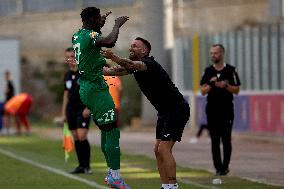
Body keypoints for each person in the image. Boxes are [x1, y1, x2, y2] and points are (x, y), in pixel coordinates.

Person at [101, 37, 191, 189]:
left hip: (176, 109)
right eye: (131, 46)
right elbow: (108, 71)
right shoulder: (134, 67)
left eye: (135, 46)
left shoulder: (148, 64)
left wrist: (113, 56)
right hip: (164, 112)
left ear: (144, 51)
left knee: (164, 149)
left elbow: (129, 64)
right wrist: (85, 65)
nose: (131, 48)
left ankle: (173, 186)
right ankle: (166, 186)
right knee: (157, 150)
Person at [71, 7, 130, 189]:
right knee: (112, 131)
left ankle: (111, 174)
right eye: (98, 19)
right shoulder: (90, 36)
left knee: (107, 129)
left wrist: (98, 28)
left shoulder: (77, 35)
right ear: (92, 19)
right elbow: (110, 42)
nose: (100, 21)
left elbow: (93, 44)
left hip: (89, 87)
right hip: (95, 89)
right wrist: (117, 25)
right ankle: (115, 176)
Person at [200, 44, 241, 176]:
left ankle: (225, 166)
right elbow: (202, 91)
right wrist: (211, 84)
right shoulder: (207, 71)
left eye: (216, 53)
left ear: (222, 54)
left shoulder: (231, 70)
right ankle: (218, 167)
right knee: (215, 140)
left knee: (226, 140)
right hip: (212, 110)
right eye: (211, 53)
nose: (213, 55)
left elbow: (237, 90)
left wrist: (225, 85)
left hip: (227, 110)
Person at [61, 47, 92, 174]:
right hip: (70, 110)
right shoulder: (67, 75)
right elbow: (65, 94)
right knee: (76, 137)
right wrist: (63, 112)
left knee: (82, 136)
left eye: (73, 57)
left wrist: (88, 107)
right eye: (68, 57)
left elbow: (91, 91)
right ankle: (81, 166)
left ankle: (87, 166)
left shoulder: (84, 73)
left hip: (82, 109)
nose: (70, 60)